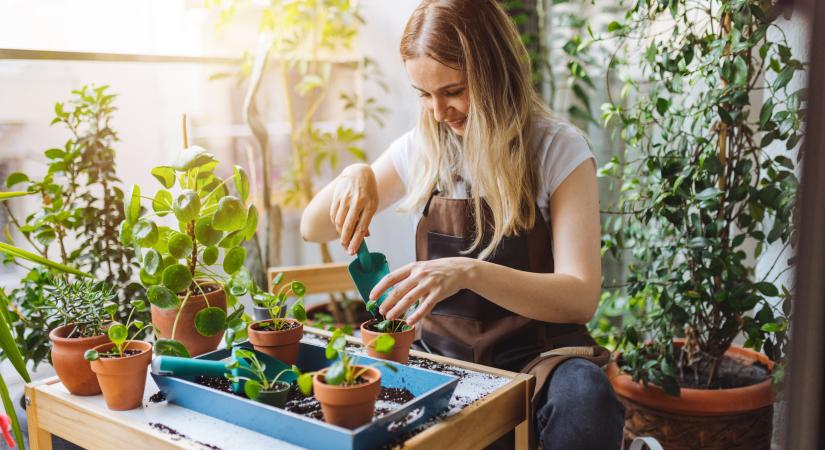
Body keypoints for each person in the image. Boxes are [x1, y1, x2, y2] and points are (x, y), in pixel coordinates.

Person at [300, 0, 625, 448]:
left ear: (496, 71)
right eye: (424, 94)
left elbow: (580, 296)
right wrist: (355, 175)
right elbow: (312, 227)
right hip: (441, 359)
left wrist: (468, 272)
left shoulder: (557, 150)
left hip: (540, 358)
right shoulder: (422, 149)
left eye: (454, 90)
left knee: (587, 399)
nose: (439, 111)